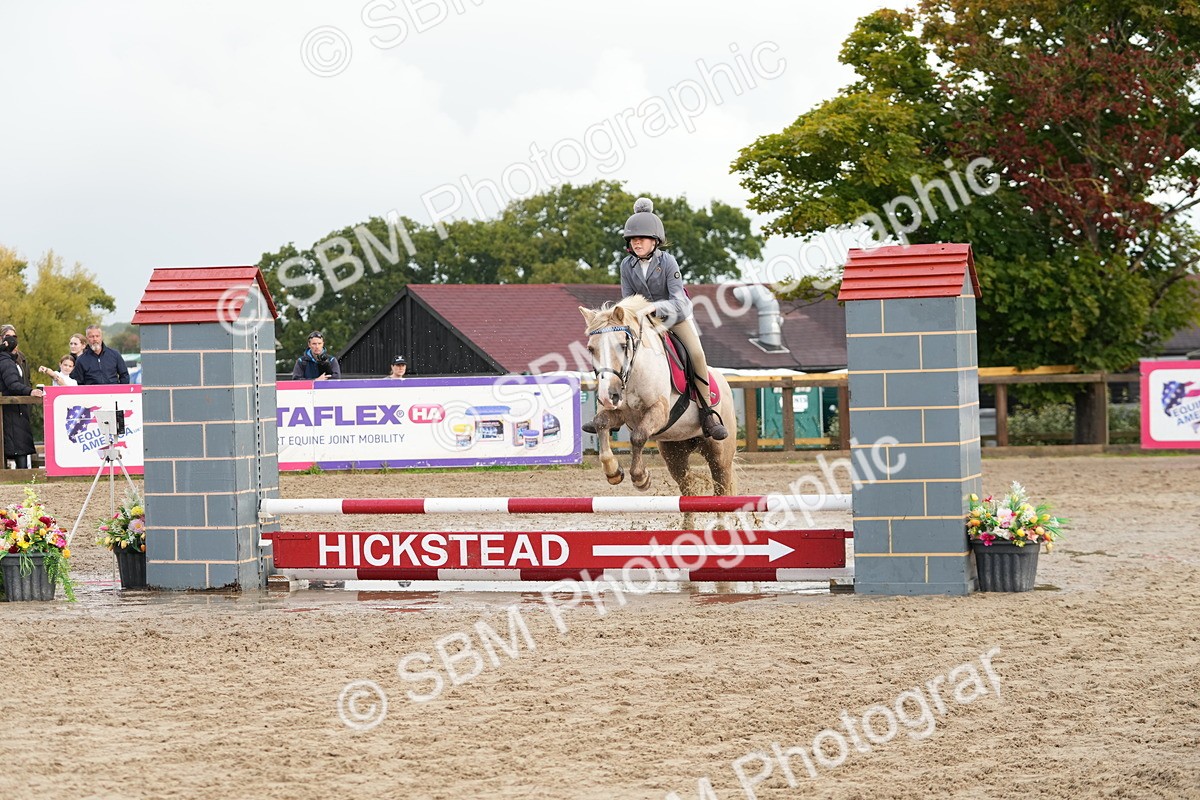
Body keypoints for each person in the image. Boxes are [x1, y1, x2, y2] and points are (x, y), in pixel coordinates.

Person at [583, 198, 728, 440]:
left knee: (697, 355)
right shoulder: (626, 266)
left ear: (655, 241)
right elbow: (628, 301)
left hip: (674, 317)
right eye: (632, 239)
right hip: (642, 323)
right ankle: (610, 410)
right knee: (618, 351)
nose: (636, 242)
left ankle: (707, 413)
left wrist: (651, 309)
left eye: (642, 238)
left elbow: (680, 302)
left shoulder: (668, 261)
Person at [0, 325, 45, 469]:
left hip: (20, 405)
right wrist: (29, 391)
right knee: (15, 443)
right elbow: (12, 383)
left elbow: (25, 378)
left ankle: (23, 474)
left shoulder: (17, 358)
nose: (12, 340)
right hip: (11, 406)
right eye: (8, 336)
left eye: (14, 336)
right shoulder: (6, 361)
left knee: (20, 442)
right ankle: (21, 474)